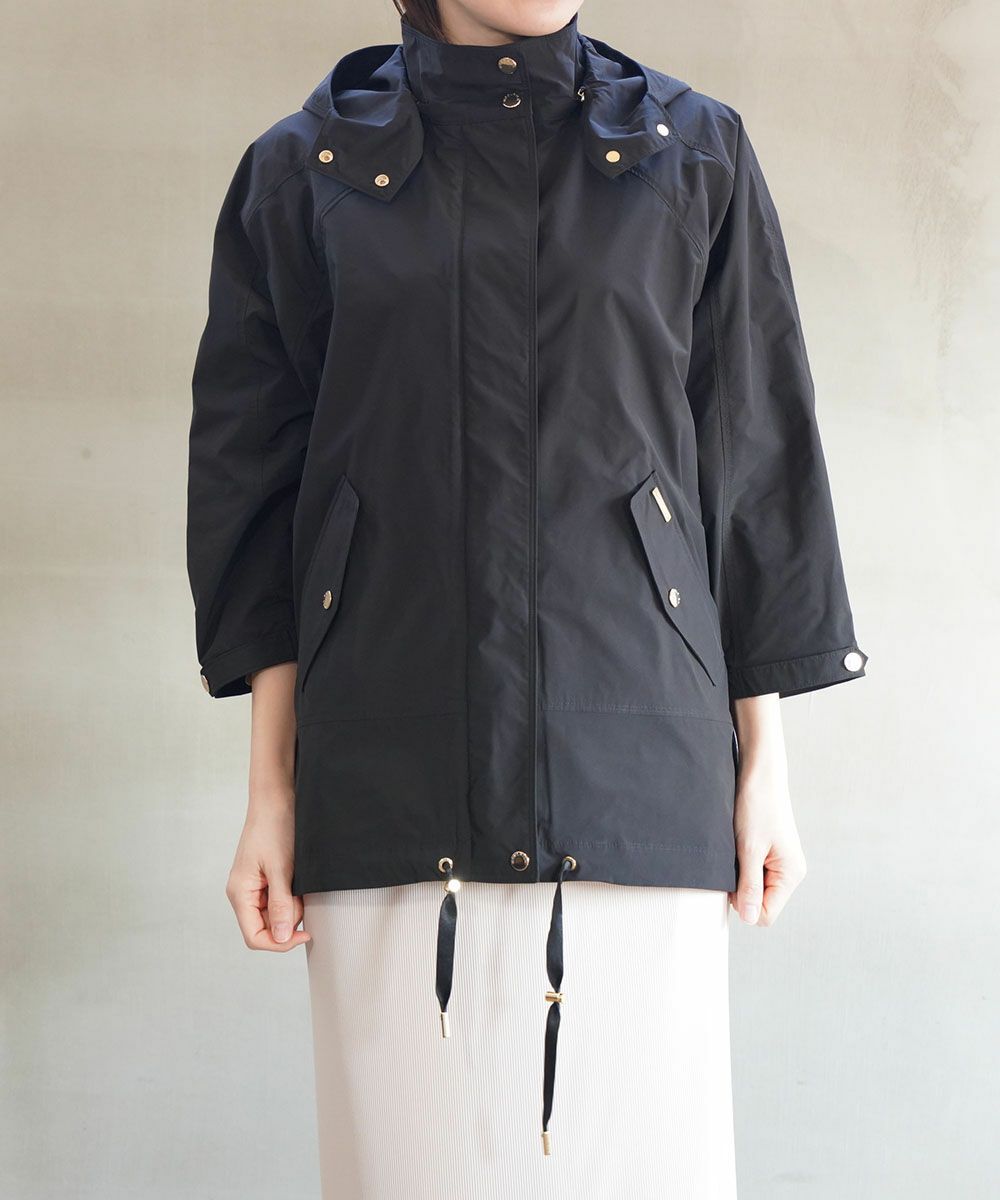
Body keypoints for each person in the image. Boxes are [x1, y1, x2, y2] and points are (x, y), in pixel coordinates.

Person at [186, 1, 868, 1195]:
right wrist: (271, 794)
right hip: (387, 770)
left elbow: (752, 461)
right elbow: (257, 496)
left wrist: (764, 765)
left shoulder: (689, 151)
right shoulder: (303, 173)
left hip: (636, 765)